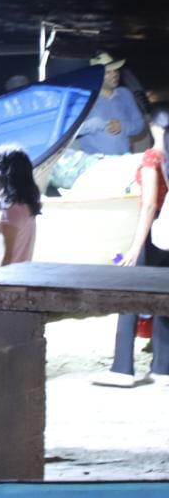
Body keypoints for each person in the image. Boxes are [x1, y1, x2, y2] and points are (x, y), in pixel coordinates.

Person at [94, 104, 169, 388]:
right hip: (168, 239)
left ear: (154, 127)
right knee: (163, 300)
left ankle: (122, 369)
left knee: (129, 300)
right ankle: (163, 367)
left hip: (152, 236)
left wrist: (135, 247)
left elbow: (150, 204)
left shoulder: (153, 157)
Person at [0, 145, 42, 270]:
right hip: (15, 282)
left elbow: (6, 259)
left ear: (2, 173)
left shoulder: (10, 212)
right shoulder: (25, 207)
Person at [75, 53, 147, 156]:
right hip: (95, 162)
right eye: (108, 71)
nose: (115, 74)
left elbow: (139, 124)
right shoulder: (83, 98)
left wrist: (123, 126)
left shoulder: (125, 93)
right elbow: (69, 132)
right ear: (96, 75)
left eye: (116, 69)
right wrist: (91, 125)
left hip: (124, 158)